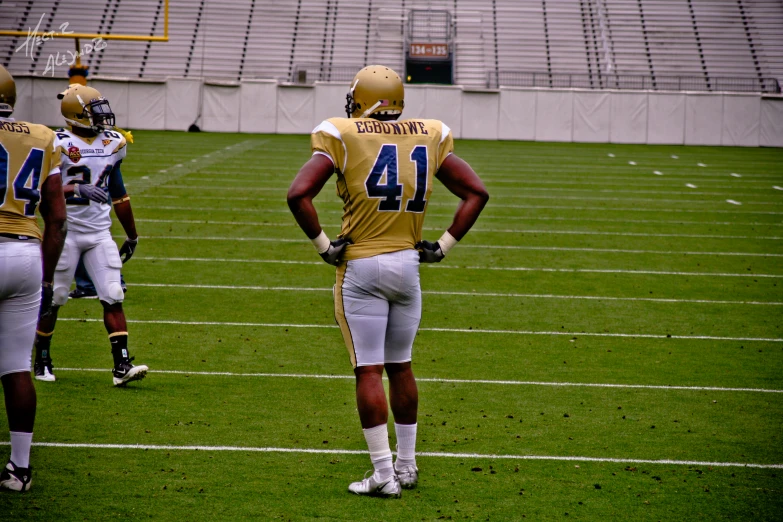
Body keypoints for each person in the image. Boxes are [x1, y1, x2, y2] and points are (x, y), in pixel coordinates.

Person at [287, 65, 489, 498]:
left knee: (368, 370)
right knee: (401, 366)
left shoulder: (341, 133)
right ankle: (408, 466)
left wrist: (325, 245)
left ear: (365, 99)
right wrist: (445, 245)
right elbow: (477, 192)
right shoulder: (430, 133)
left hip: (361, 265)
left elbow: (297, 194)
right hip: (407, 266)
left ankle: (383, 474)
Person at [32, 83, 147, 387]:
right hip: (64, 233)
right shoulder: (55, 142)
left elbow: (119, 193)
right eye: (93, 111)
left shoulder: (113, 142)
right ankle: (41, 359)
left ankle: (121, 365)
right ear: (75, 114)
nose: (101, 116)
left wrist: (132, 235)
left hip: (99, 232)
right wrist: (73, 188)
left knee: (113, 294)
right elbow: (40, 191)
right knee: (54, 298)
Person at [0, 65, 67, 491]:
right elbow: (57, 218)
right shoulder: (43, 135)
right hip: (26, 253)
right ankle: (20, 469)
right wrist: (43, 280)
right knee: (16, 367)